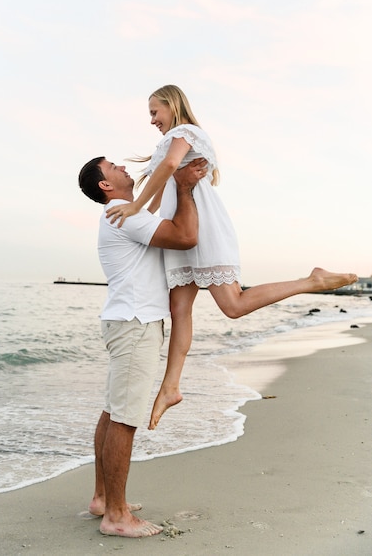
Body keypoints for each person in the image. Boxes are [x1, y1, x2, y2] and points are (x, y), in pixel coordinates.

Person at [105, 84, 358, 431]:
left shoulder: (186, 131)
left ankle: (311, 280)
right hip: (178, 220)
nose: (152, 120)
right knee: (179, 310)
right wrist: (138, 219)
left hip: (201, 224)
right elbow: (161, 191)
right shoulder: (169, 139)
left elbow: (170, 164)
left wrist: (135, 205)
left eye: (154, 112)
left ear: (172, 104)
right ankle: (171, 387)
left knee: (233, 305)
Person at [78, 154, 207, 538]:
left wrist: (164, 180)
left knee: (113, 411)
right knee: (124, 418)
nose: (122, 166)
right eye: (113, 166)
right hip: (135, 324)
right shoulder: (123, 213)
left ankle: (103, 498)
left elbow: (151, 210)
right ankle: (115, 515)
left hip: (124, 320)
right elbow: (186, 237)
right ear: (105, 184)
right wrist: (184, 187)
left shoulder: (125, 213)